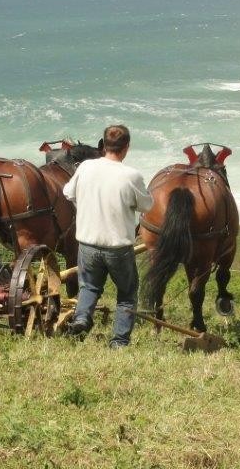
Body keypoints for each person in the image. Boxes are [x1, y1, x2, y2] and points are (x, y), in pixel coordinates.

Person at [62, 124, 153, 348]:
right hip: (118, 248)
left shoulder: (85, 167)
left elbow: (67, 193)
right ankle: (119, 342)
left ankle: (82, 318)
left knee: (89, 287)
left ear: (104, 145)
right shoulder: (131, 175)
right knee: (127, 294)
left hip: (87, 243)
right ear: (126, 147)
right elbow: (147, 205)